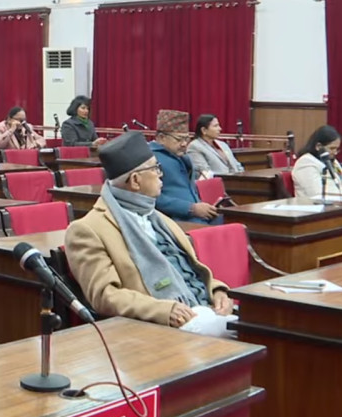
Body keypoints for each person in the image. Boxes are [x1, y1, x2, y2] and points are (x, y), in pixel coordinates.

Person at [64, 131, 236, 337]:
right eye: (155, 169)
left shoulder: (158, 218)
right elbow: (105, 296)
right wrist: (163, 311)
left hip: (205, 310)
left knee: (260, 328)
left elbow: (191, 269)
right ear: (135, 180)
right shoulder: (88, 230)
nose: (161, 175)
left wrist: (218, 291)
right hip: (159, 329)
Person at [150, 109, 220, 224]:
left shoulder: (183, 156)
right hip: (173, 221)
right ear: (161, 138)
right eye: (179, 139)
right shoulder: (150, 159)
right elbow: (151, 198)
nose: (184, 144)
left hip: (197, 216)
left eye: (186, 139)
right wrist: (191, 208)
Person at [292, 125, 342, 200]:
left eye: (337, 149)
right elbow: (317, 193)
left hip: (340, 202)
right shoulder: (305, 163)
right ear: (318, 146)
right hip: (316, 205)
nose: (335, 152)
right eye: (332, 148)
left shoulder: (332, 161)